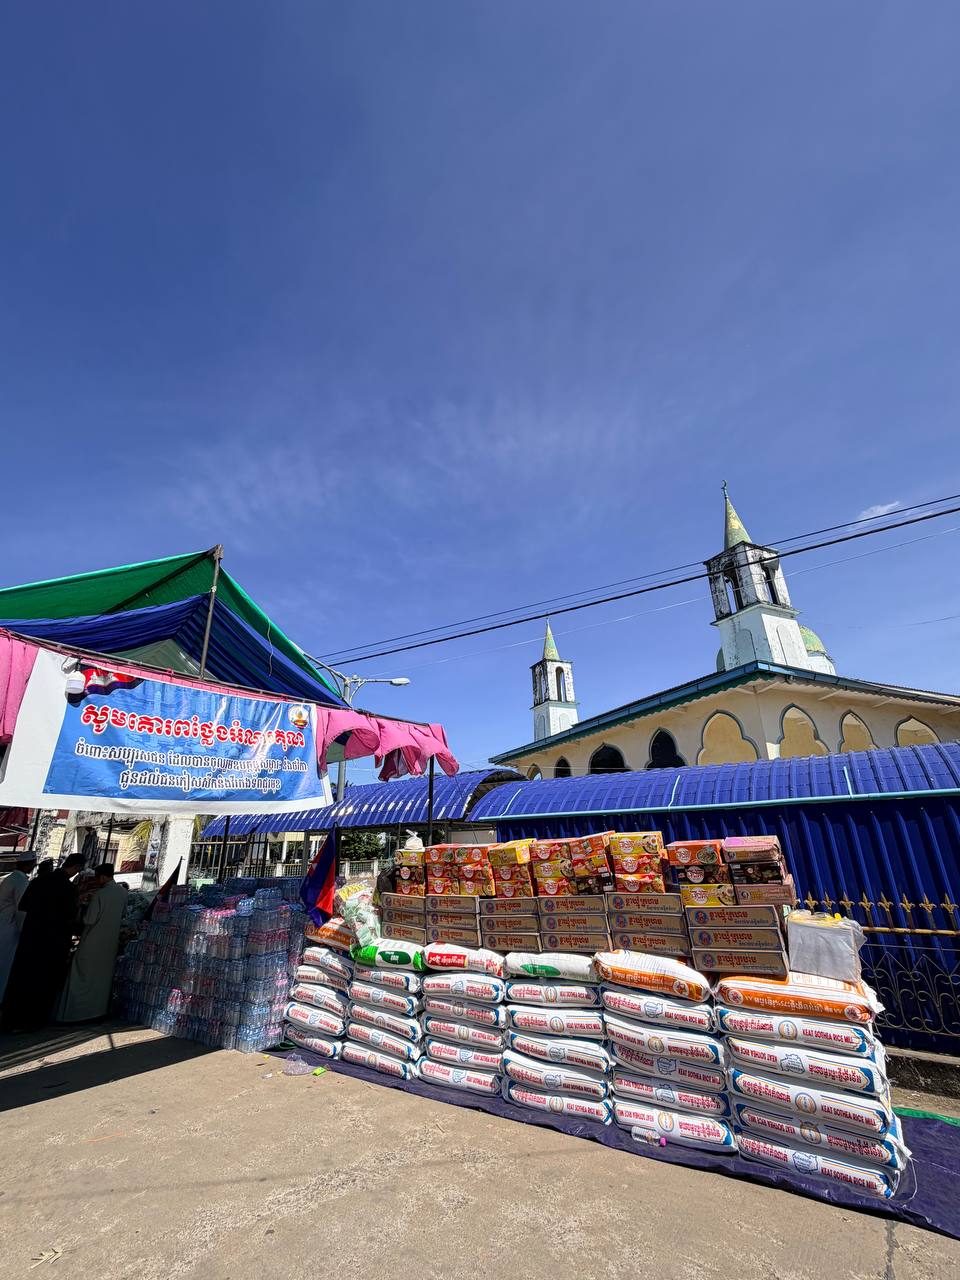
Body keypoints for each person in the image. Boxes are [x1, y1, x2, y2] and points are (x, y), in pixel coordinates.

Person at [0, 852, 85, 1032]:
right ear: (76, 867)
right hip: (52, 942)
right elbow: (71, 915)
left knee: (22, 977)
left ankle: (11, 1018)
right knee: (42, 982)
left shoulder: (39, 881)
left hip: (31, 937)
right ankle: (31, 1021)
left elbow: (24, 905)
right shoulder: (68, 888)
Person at [56, 864, 128, 1023]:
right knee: (102, 979)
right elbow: (123, 914)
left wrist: (82, 910)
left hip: (92, 940)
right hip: (110, 942)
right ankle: (97, 1011)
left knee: (81, 976)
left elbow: (89, 919)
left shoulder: (100, 894)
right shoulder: (123, 892)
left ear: (102, 877)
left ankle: (76, 1013)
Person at [0, 853, 37, 1001]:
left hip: (4, 923)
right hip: (9, 926)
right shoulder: (20, 881)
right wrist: (24, 930)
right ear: (30, 864)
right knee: (4, 964)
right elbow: (21, 909)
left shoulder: (10, 878)